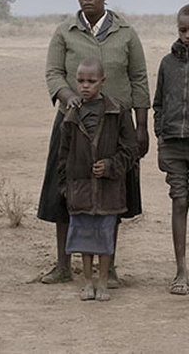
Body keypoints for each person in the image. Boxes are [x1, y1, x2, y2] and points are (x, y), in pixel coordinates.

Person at [37, 0, 150, 286]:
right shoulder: (65, 31)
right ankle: (62, 265)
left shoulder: (126, 33)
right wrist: (68, 96)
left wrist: (141, 125)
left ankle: (108, 268)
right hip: (72, 124)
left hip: (116, 127)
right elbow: (53, 73)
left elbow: (139, 79)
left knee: (113, 192)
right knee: (66, 189)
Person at [58, 58, 136, 301]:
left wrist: (111, 166)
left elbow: (130, 149)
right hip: (80, 187)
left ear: (103, 81)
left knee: (104, 233)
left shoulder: (117, 110)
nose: (85, 86)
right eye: (80, 81)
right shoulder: (71, 115)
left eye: (91, 81)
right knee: (83, 234)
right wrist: (65, 187)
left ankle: (103, 280)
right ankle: (87, 282)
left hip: (108, 188)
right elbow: (63, 154)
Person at [153, 4, 189, 295]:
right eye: (182, 30)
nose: (187, 35)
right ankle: (180, 271)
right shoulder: (167, 64)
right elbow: (159, 104)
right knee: (179, 202)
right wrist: (160, 136)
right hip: (173, 146)